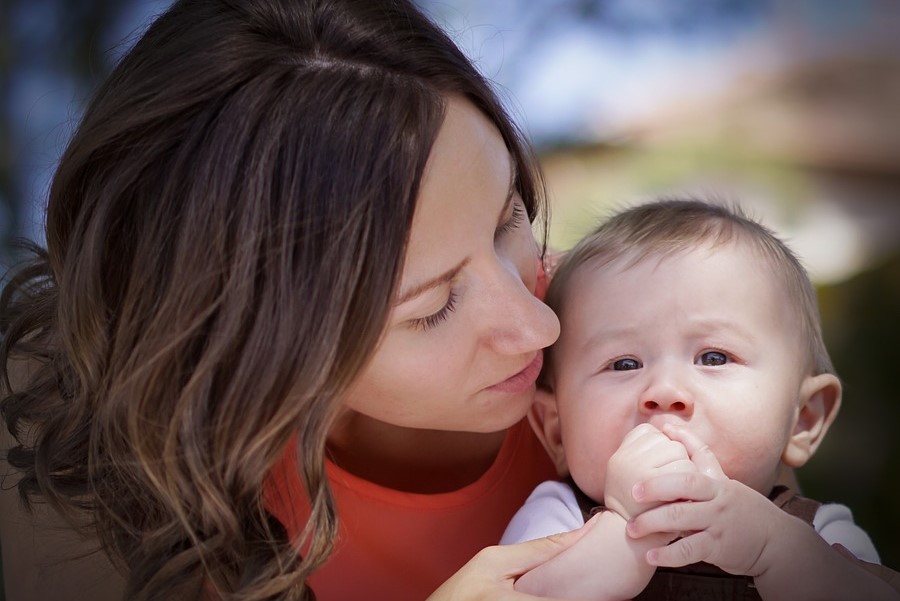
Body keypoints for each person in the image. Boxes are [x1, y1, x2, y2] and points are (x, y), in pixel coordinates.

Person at [0, 0, 582, 599]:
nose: (540, 324)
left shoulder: (637, 344)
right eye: (432, 307)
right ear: (253, 337)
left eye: (507, 219)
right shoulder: (103, 486)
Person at [501, 199, 898, 600]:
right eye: (623, 363)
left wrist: (776, 553)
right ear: (556, 429)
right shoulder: (558, 518)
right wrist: (624, 531)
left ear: (803, 419)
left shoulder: (821, 533)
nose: (665, 392)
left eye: (713, 358)